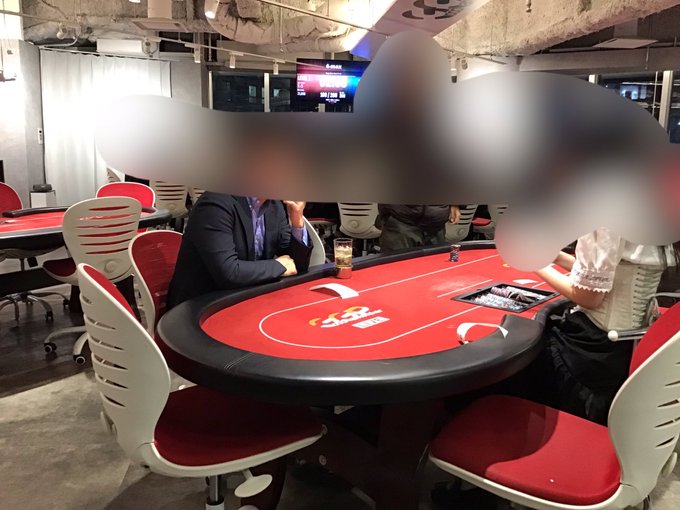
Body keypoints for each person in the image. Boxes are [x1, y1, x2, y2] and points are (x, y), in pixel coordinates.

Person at [531, 228, 679, 424]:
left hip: (595, 356)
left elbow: (588, 297)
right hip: (632, 346)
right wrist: (555, 256)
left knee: (519, 364)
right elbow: (600, 277)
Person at [166, 194, 312, 308]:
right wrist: (279, 266)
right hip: (198, 308)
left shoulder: (274, 206)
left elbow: (296, 265)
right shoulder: (215, 204)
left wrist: (297, 219)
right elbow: (229, 272)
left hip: (245, 298)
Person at [375, 204, 461, 253]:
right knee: (396, 272)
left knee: (435, 273)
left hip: (436, 222)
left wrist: (455, 203)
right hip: (400, 220)